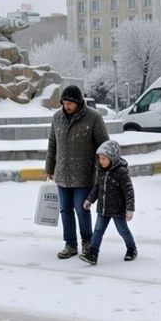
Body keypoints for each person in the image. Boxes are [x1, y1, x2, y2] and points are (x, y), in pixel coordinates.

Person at [45, 85, 110, 259]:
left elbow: (104, 145)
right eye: (64, 103)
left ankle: (87, 242)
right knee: (65, 210)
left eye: (70, 103)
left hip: (84, 174)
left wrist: (104, 169)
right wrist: (49, 168)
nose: (66, 106)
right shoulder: (57, 118)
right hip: (62, 173)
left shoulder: (93, 117)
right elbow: (52, 144)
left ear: (78, 102)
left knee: (82, 209)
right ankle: (70, 244)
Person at [80, 140, 137, 265]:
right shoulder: (101, 170)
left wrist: (129, 209)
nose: (101, 161)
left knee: (123, 230)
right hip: (103, 208)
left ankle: (132, 248)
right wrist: (90, 200)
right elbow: (97, 188)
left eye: (104, 158)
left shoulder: (121, 172)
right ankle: (93, 254)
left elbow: (129, 191)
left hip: (118, 209)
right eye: (99, 158)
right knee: (98, 230)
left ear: (112, 157)